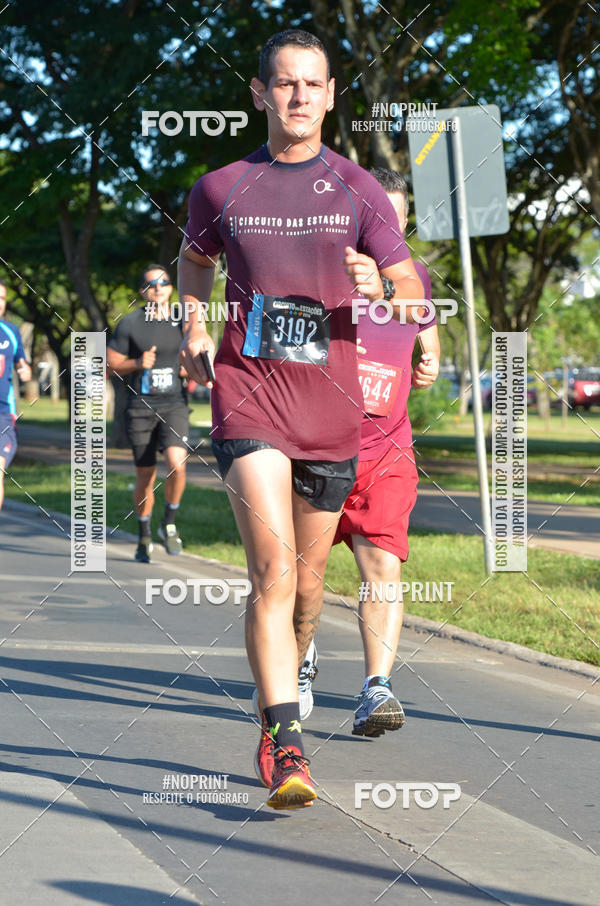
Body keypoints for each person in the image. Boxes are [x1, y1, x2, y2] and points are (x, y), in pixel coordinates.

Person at [178, 29, 425, 810]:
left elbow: (415, 297)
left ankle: (300, 653)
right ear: (259, 93)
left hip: (331, 414)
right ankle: (285, 739)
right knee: (272, 572)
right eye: (284, 84)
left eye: (312, 85)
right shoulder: (220, 188)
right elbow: (195, 258)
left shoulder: (359, 189)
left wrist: (380, 281)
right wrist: (192, 323)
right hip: (249, 394)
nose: (298, 97)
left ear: (329, 94)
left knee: (309, 592)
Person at [334, 168, 440, 737]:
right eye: (376, 216)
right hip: (316, 443)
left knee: (382, 566)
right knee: (300, 571)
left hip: (387, 445)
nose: (386, 229)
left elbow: (428, 334)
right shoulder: (323, 265)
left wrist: (428, 361)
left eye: (394, 218)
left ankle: (377, 688)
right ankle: (298, 664)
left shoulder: (415, 274)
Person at [107, 265, 189, 562]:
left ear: (171, 287)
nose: (159, 287)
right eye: (152, 283)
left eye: (165, 282)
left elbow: (198, 353)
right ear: (143, 290)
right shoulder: (130, 323)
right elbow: (109, 365)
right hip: (140, 407)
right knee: (145, 475)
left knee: (176, 464)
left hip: (175, 404)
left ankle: (168, 522)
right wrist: (138, 362)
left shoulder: (183, 320)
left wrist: (189, 367)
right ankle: (143, 535)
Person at [0, 279, 32, 511]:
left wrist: (25, 370)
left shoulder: (11, 331)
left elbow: (22, 362)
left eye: (2, 298)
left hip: (3, 414)